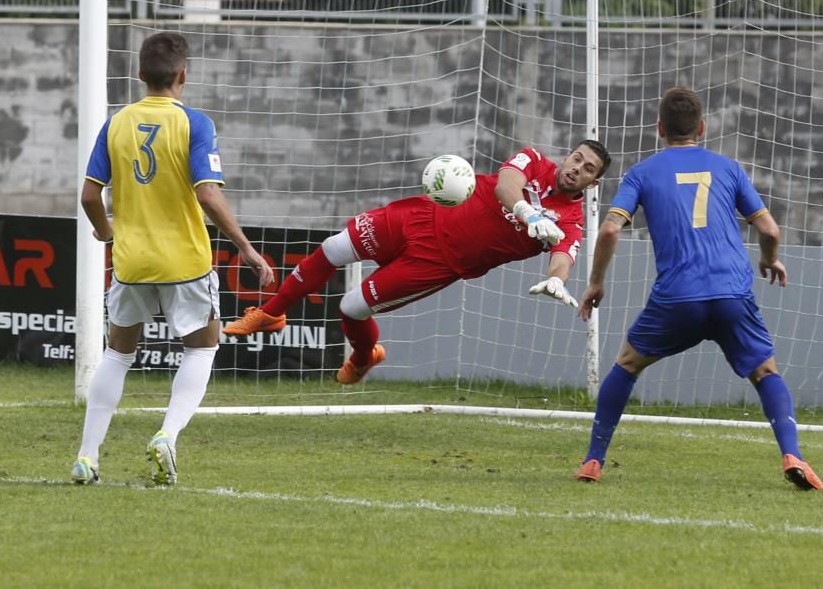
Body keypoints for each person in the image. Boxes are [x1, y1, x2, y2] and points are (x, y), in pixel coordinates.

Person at [575, 86, 823, 490]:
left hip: (678, 299)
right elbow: (769, 228)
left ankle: (593, 461)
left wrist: (596, 282)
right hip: (731, 293)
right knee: (764, 371)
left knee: (627, 364)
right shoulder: (728, 168)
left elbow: (608, 229)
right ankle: (792, 453)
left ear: (660, 129)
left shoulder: (642, 172)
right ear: (701, 128)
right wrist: (770, 257)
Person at [223, 140, 611, 385]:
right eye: (577, 158)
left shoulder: (571, 222)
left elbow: (564, 255)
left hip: (439, 261)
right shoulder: (535, 159)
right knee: (333, 247)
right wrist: (528, 214)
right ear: (568, 156)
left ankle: (363, 358)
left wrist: (557, 280)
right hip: (420, 216)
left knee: (350, 307)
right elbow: (507, 184)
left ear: (593, 184)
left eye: (588, 169)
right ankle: (272, 312)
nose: (577, 167)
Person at [71, 32, 275, 486]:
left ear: (140, 74)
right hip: (184, 262)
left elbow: (88, 195)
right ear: (184, 75)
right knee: (201, 347)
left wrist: (106, 233)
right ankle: (167, 435)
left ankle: (87, 456)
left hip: (131, 262)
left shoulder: (116, 123)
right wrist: (244, 245)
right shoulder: (195, 124)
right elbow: (207, 193)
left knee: (118, 354)